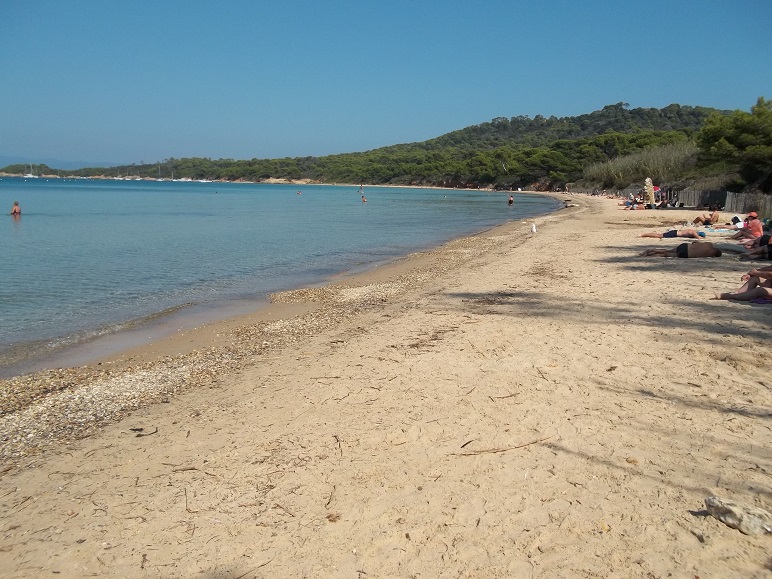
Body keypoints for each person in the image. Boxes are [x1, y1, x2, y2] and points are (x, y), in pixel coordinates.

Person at [639, 241, 722, 258]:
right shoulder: (710, 255)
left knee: (668, 250)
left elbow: (695, 242)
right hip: (686, 254)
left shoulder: (709, 244)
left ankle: (651, 250)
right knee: (665, 254)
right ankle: (650, 255)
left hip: (685, 246)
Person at [640, 228, 706, 240]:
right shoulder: (693, 232)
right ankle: (644, 235)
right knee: (659, 235)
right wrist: (699, 237)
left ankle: (644, 234)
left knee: (659, 235)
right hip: (674, 233)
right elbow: (696, 235)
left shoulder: (692, 231)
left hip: (675, 232)